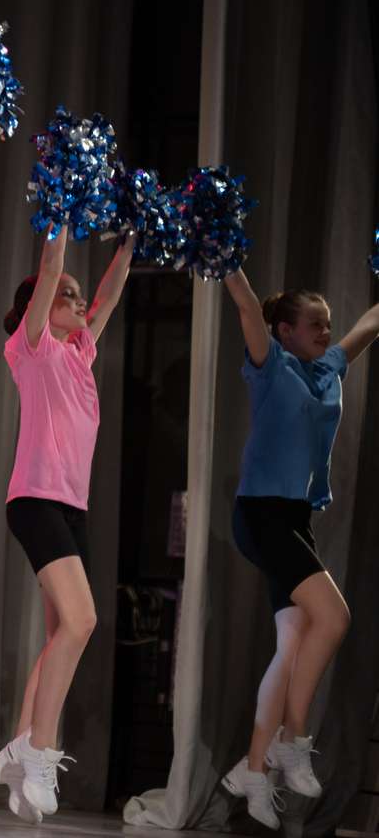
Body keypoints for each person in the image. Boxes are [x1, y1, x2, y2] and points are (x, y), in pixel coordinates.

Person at [0, 227, 135, 820]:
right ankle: (38, 749)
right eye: (66, 294)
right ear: (38, 311)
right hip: (36, 500)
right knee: (83, 620)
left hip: (73, 509)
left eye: (77, 294)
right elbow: (50, 269)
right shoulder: (33, 347)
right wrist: (62, 211)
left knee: (60, 638)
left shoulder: (80, 351)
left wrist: (127, 245)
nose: (77, 299)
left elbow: (109, 296)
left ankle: (21, 756)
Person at [216, 268, 378, 829]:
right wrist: (223, 254)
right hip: (261, 515)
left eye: (327, 325)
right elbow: (244, 304)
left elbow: (369, 324)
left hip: (294, 519)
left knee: (291, 646)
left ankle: (253, 769)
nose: (326, 333)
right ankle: (292, 740)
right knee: (333, 618)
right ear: (285, 330)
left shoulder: (328, 367)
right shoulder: (271, 365)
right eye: (315, 324)